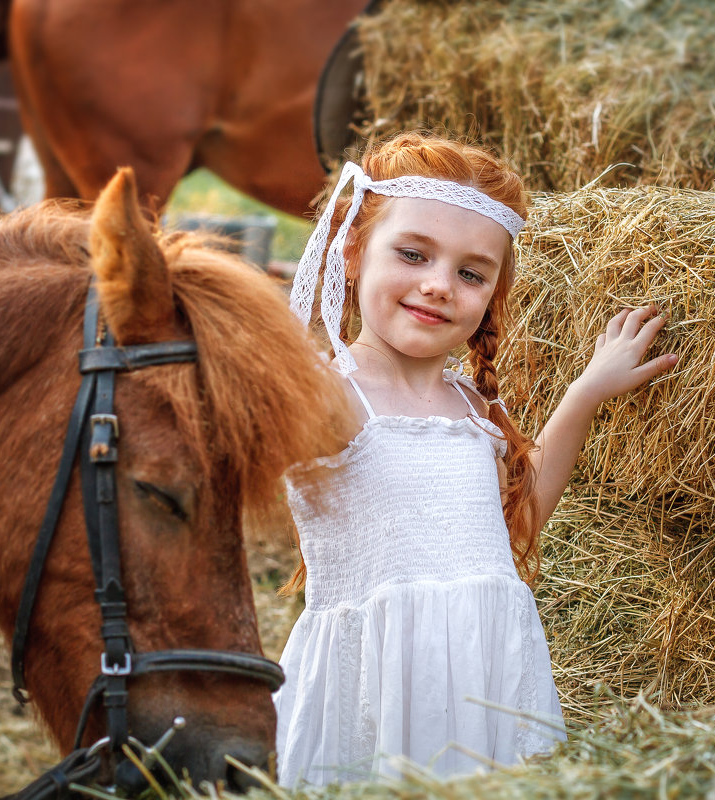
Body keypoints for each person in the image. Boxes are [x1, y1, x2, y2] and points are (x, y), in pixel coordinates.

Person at [274, 132, 678, 786]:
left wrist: (584, 392)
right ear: (352, 253)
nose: (439, 286)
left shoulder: (475, 406)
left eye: (470, 273)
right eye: (413, 254)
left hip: (488, 677)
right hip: (379, 691)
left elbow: (518, 525)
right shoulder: (326, 393)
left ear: (493, 290)